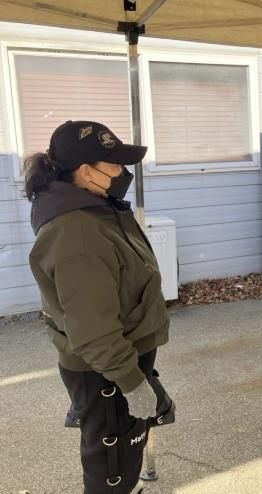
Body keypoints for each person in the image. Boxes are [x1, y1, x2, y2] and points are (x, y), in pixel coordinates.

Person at [25, 121, 174, 494]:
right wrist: (132, 382)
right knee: (111, 469)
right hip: (106, 371)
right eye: (114, 165)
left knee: (125, 459)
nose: (122, 173)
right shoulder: (76, 232)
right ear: (86, 172)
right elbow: (93, 330)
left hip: (117, 360)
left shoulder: (97, 210)